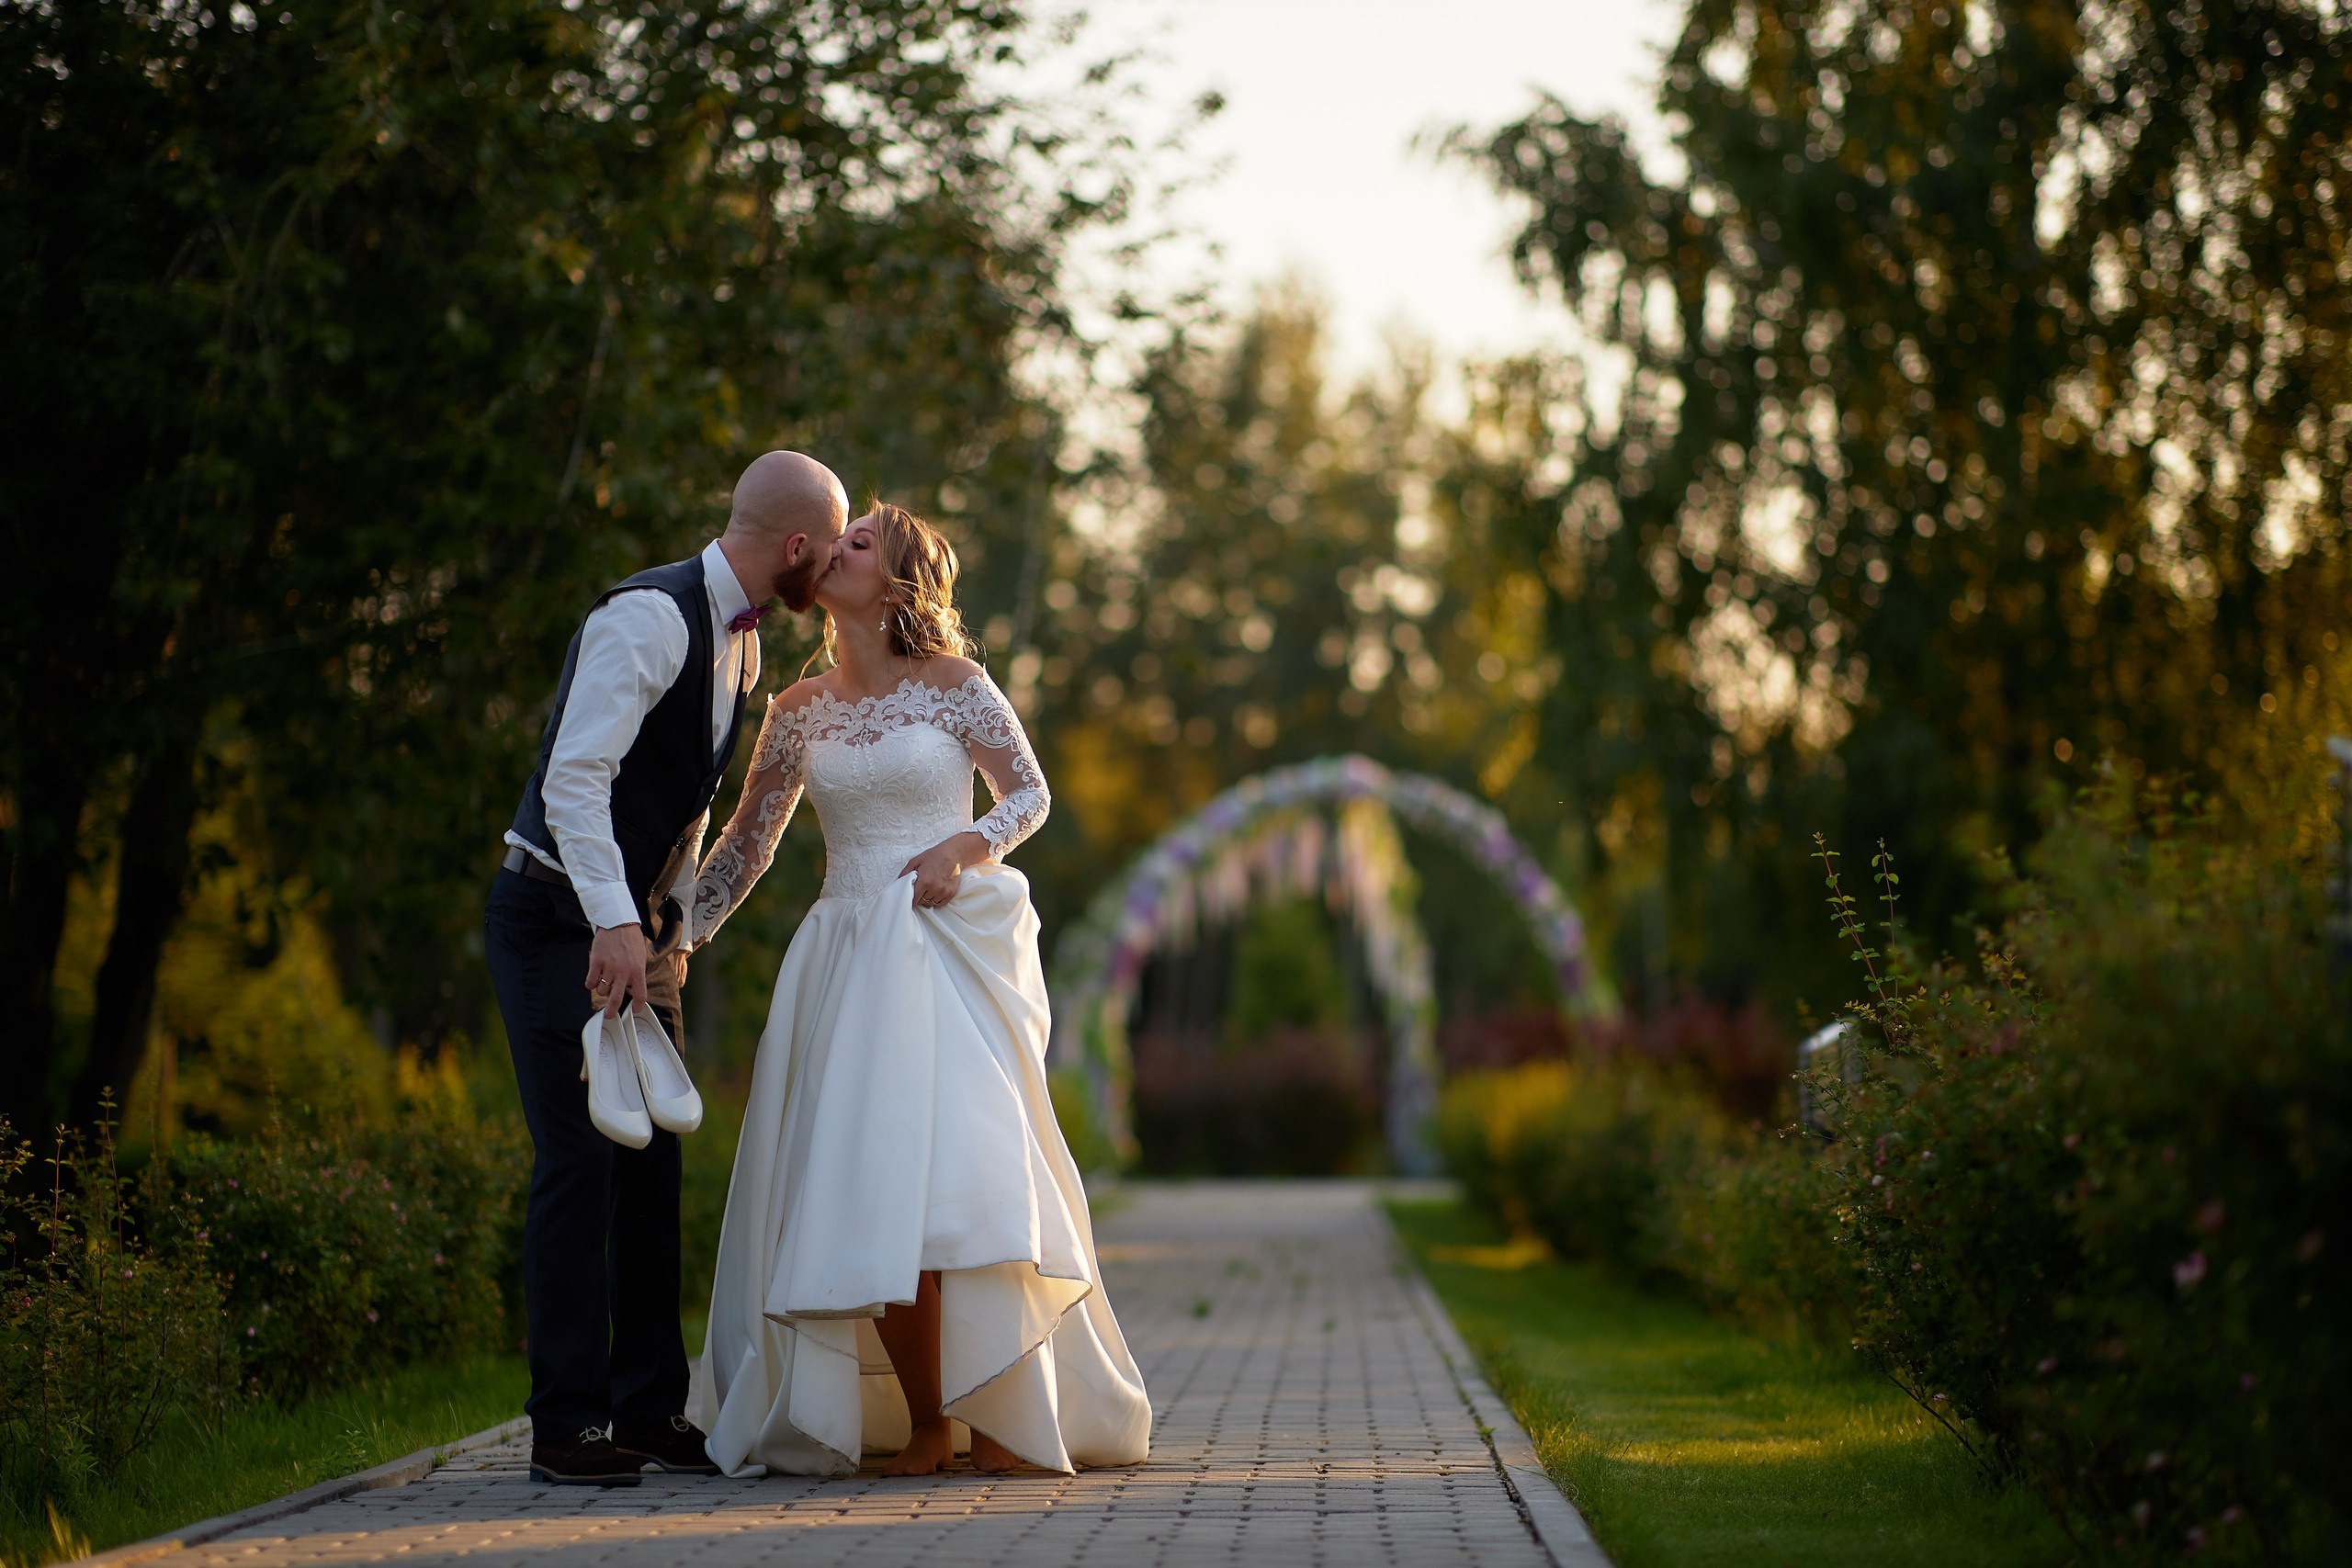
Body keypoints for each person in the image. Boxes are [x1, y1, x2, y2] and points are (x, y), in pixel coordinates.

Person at [684, 503, 1152, 1477]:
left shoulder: (956, 686)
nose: (834, 548)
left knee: (952, 1186)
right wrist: (677, 938)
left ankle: (988, 1410)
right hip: (843, 959)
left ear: (896, 579)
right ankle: (927, 1426)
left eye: (857, 541)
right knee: (867, 1188)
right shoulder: (797, 708)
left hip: (938, 953)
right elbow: (749, 845)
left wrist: (965, 843)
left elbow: (1029, 792)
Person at [484, 451, 849, 1486]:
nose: (825, 576)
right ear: (793, 547)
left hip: (636, 935)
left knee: (652, 1171)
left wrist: (672, 922)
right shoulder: (648, 618)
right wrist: (610, 923)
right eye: (823, 555)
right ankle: (565, 1425)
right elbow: (577, 779)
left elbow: (682, 797)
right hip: (556, 919)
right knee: (580, 1160)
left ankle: (648, 1409)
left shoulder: (742, 650)